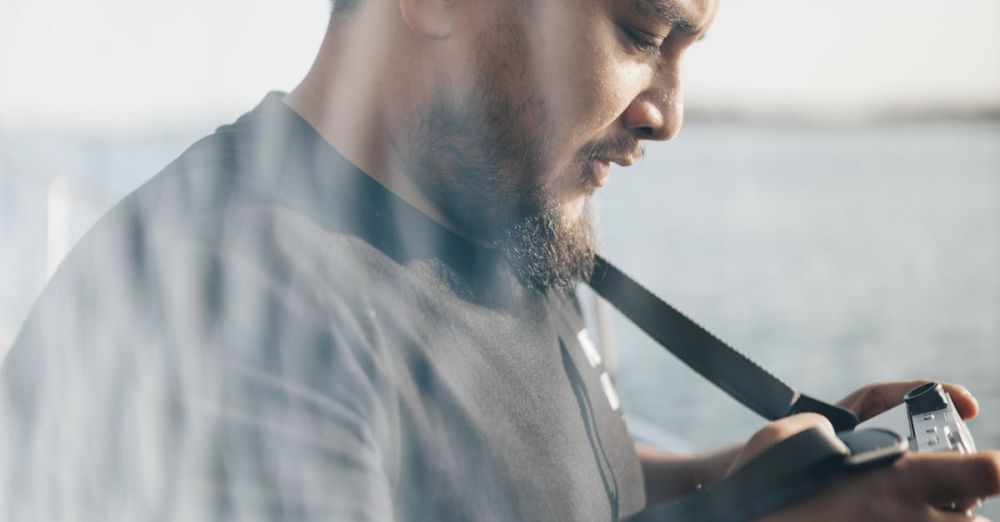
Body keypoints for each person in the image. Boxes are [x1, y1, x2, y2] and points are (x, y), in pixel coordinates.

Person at [2, 0, 998, 520]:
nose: (667, 112)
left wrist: (746, 479)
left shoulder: (495, 211)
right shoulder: (222, 312)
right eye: (643, 32)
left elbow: (505, 472)